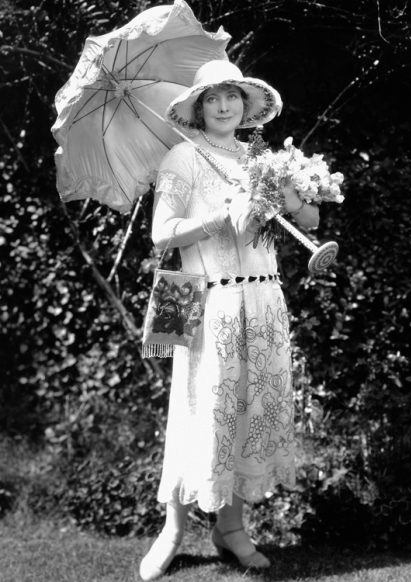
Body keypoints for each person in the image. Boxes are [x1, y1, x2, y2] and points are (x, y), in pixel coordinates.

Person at [139, 60, 319, 581]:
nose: (224, 106)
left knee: (247, 412)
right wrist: (222, 215)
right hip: (206, 303)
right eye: (213, 98)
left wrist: (292, 195)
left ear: (246, 104)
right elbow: (161, 234)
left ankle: (231, 529)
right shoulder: (182, 156)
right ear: (198, 107)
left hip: (263, 303)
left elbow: (308, 221)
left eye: (233, 97)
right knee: (201, 414)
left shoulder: (262, 158)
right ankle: (173, 529)